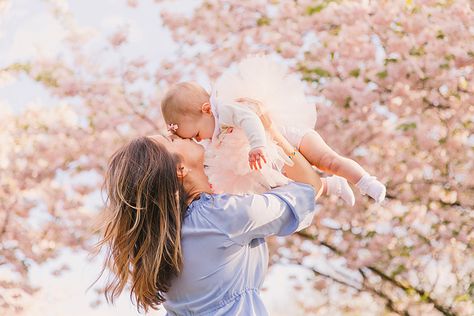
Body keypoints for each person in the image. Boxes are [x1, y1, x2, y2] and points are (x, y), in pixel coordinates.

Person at [95, 114, 324, 315]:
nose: (175, 132)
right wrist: (269, 131)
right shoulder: (222, 216)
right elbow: (308, 189)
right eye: (171, 140)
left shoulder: (168, 241)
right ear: (180, 169)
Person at [161, 55, 386, 206]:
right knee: (291, 185)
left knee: (328, 161)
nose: (199, 140)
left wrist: (258, 145)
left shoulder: (225, 109)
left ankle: (365, 181)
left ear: (206, 109)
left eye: (196, 135)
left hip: (290, 136)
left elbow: (251, 119)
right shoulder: (212, 138)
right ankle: (331, 185)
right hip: (275, 155)